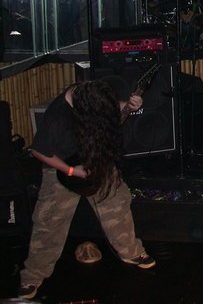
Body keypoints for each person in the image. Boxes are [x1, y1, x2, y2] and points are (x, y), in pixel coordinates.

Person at [18, 80, 155, 300]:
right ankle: (32, 276)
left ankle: (131, 252)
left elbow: (112, 107)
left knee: (117, 205)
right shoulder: (57, 116)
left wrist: (130, 105)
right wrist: (72, 171)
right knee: (50, 222)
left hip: (94, 156)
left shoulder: (92, 93)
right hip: (62, 165)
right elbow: (39, 151)